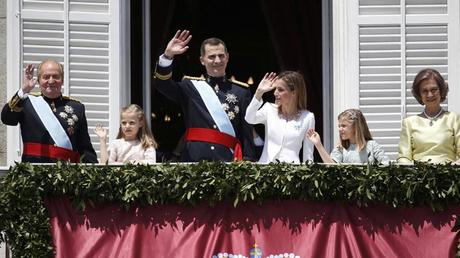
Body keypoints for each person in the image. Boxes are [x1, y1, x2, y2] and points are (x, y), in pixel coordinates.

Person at [153, 30, 255, 162]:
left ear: (227, 57)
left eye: (221, 56)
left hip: (228, 160)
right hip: (194, 158)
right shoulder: (190, 87)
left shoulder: (241, 91)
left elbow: (246, 130)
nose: (217, 60)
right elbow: (162, 84)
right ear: (202, 60)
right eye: (212, 57)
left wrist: (248, 160)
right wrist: (168, 56)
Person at [1, 59, 97, 163]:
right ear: (38, 80)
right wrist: (23, 91)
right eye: (46, 77)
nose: (51, 81)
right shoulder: (27, 103)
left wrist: (94, 173)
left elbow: (85, 147)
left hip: (67, 174)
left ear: (62, 80)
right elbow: (7, 119)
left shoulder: (77, 107)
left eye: (56, 76)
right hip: (33, 173)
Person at [244, 71, 315, 163]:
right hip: (265, 170)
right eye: (275, 89)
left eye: (280, 90)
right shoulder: (269, 109)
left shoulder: (308, 118)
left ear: (294, 92)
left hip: (291, 173)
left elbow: (308, 155)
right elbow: (249, 118)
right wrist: (259, 92)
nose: (275, 93)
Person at [398, 68, 460, 164]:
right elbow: (403, 157)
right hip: (418, 177)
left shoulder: (454, 119)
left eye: (434, 89)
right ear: (419, 95)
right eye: (424, 91)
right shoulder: (409, 123)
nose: (430, 95)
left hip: (449, 176)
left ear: (441, 91)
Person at [307, 109, 389, 164]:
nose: (340, 129)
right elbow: (331, 167)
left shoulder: (372, 146)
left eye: (343, 126)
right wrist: (318, 144)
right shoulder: (341, 149)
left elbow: (387, 166)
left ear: (355, 127)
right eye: (339, 126)